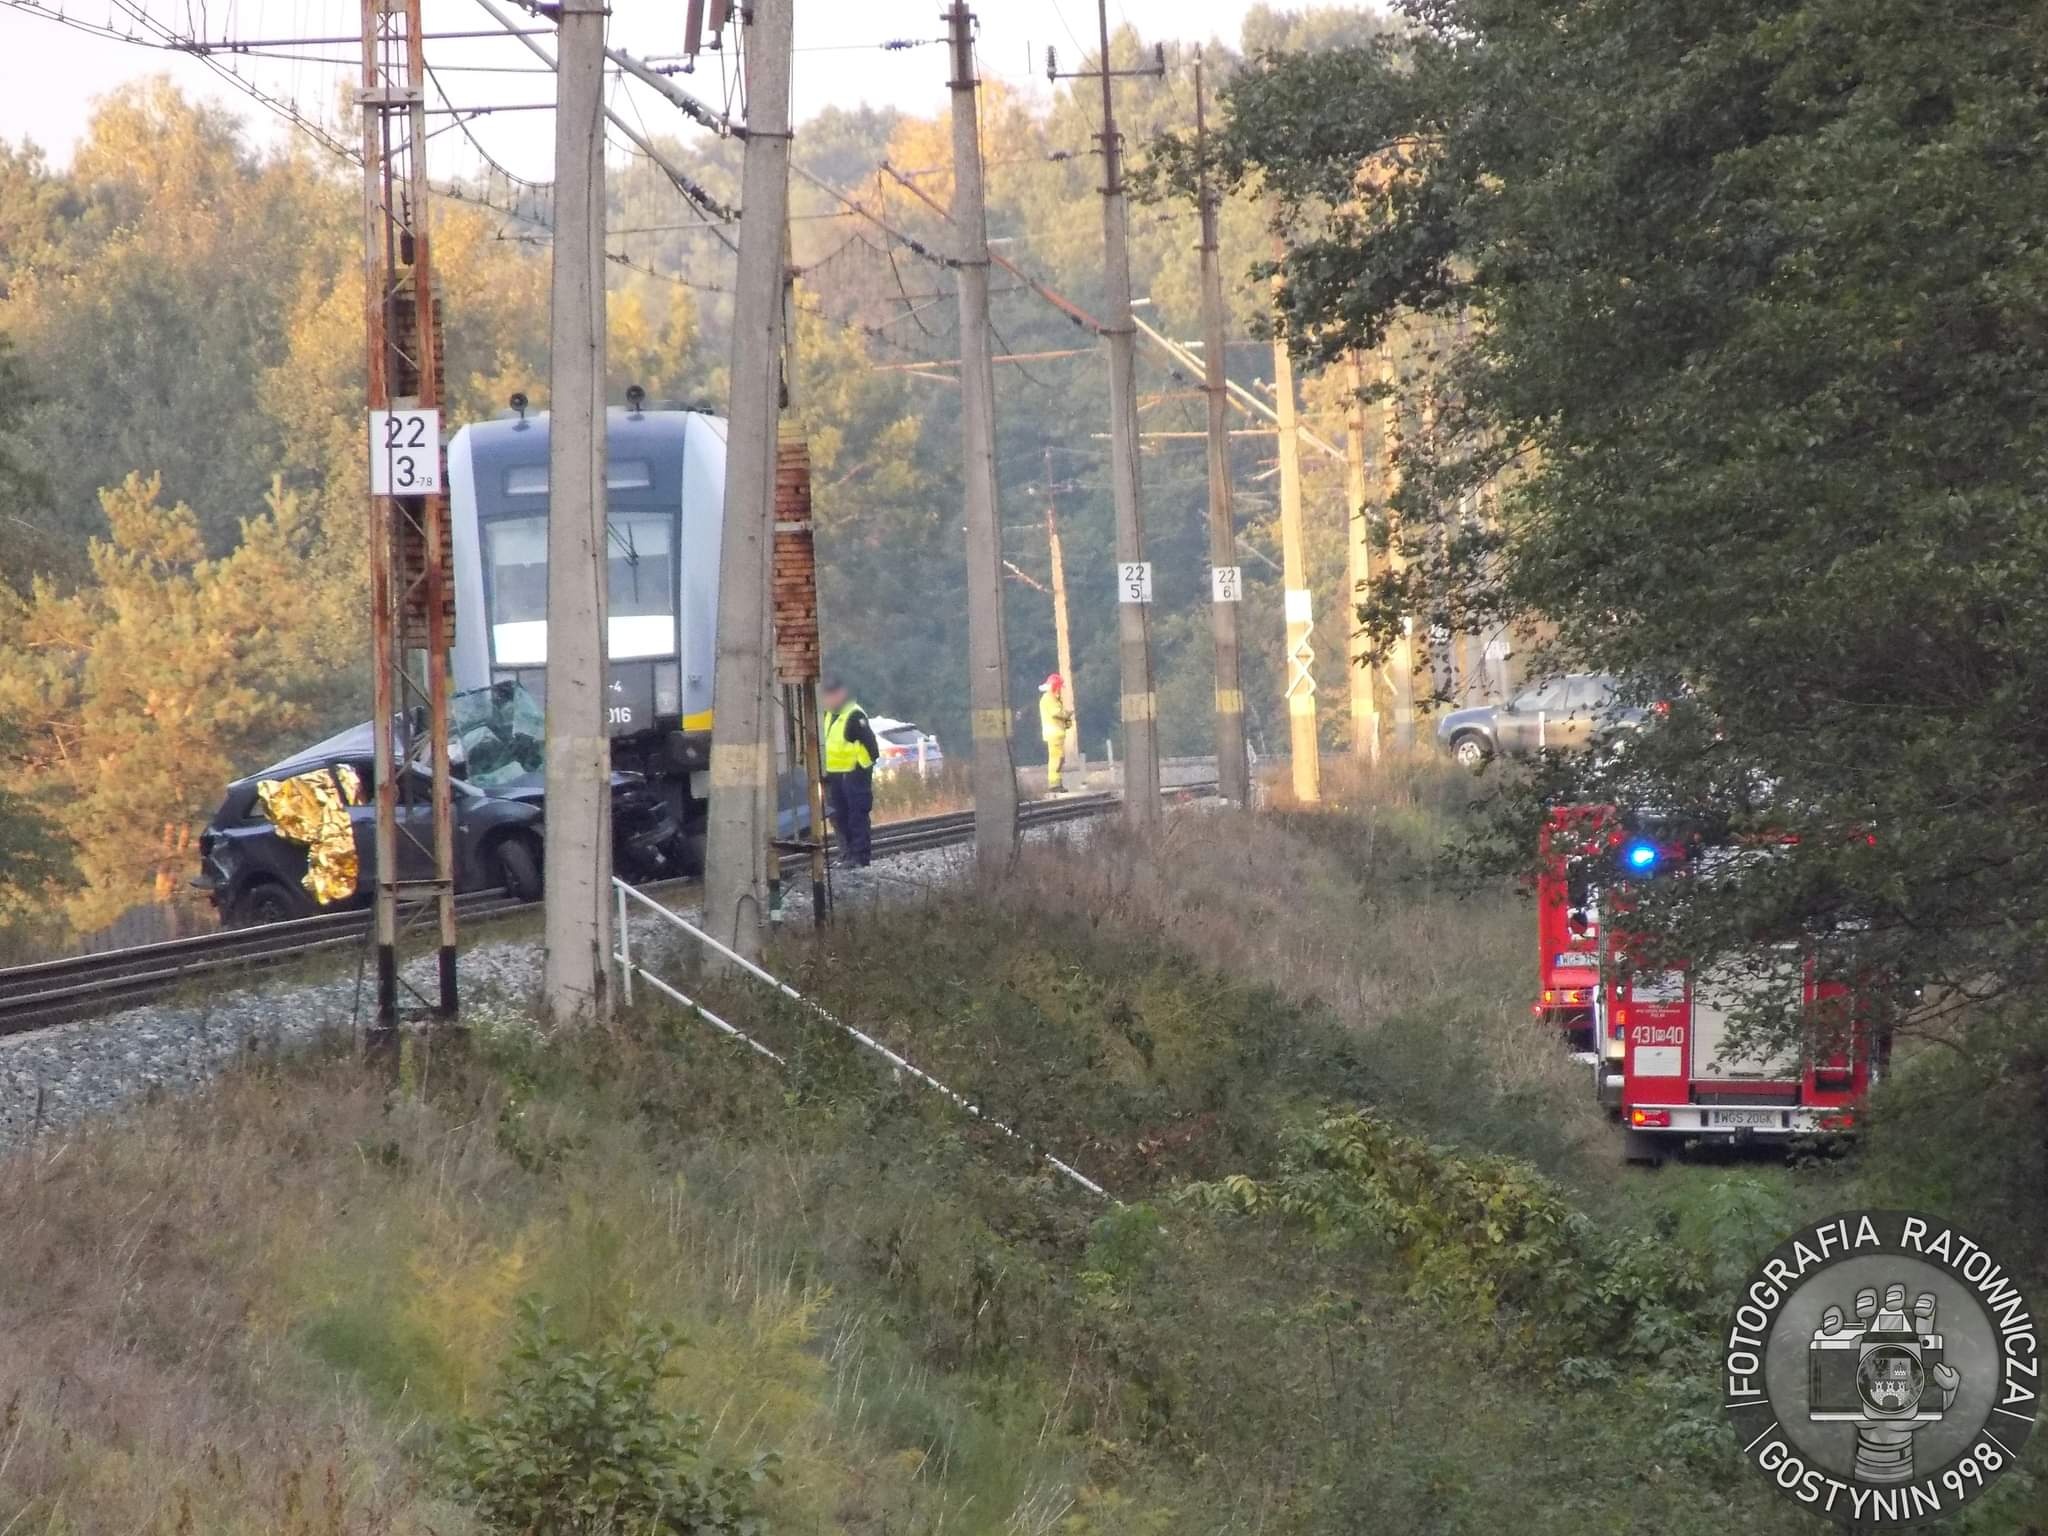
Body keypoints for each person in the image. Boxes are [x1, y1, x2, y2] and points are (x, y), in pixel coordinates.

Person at [819, 678, 879, 867]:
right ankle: (846, 855)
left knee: (857, 816)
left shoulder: (854, 715)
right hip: (834, 775)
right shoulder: (828, 716)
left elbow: (872, 748)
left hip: (854, 775)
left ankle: (860, 857)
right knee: (839, 816)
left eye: (830, 695)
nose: (827, 700)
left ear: (840, 694)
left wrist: (860, 769)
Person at [1037, 672, 1074, 793]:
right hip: (1054, 734)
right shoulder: (1049, 699)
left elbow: (1058, 716)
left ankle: (1056, 783)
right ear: (1055, 686)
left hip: (1056, 734)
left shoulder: (1053, 699)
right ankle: (1055, 784)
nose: (1060, 690)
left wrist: (1066, 721)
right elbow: (1056, 713)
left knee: (1059, 758)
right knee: (1056, 759)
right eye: (1059, 687)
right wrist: (1067, 714)